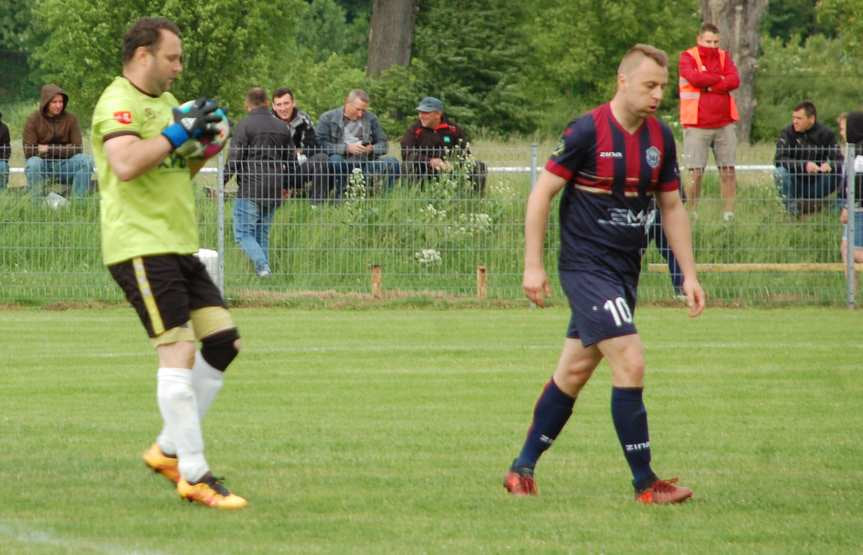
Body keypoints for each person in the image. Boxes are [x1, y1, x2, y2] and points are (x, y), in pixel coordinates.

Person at [504, 44, 705, 504]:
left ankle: (521, 470)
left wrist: (688, 275)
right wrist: (532, 266)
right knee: (631, 360)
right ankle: (645, 484)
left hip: (623, 272)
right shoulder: (585, 132)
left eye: (662, 87)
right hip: (585, 268)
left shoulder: (660, 138)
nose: (658, 95)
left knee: (574, 371)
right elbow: (540, 197)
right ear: (623, 81)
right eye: (649, 85)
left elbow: (671, 206)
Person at [91, 16, 247, 509]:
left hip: (177, 244)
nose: (179, 67)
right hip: (139, 245)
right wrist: (180, 131)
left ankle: (167, 448)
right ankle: (195, 473)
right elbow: (127, 164)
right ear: (143, 54)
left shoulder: (165, 107)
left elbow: (176, 168)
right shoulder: (117, 102)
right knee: (177, 351)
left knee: (223, 343)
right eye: (172, 57)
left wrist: (207, 146)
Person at [223, 87, 294, 278]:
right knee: (261, 234)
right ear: (266, 103)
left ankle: (263, 267)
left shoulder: (244, 125)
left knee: (243, 234)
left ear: (248, 104)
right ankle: (264, 275)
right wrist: (286, 186)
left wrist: (221, 182)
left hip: (250, 189)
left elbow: (234, 159)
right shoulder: (282, 127)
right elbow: (292, 163)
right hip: (274, 190)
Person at [678, 22, 740, 222]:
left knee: (728, 170)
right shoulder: (687, 57)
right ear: (699, 39)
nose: (712, 46)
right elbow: (694, 78)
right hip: (696, 125)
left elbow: (734, 80)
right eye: (708, 41)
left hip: (724, 124)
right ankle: (691, 212)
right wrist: (719, 79)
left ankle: (729, 214)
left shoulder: (724, 56)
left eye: (715, 42)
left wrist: (710, 83)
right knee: (695, 172)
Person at [315, 89, 400, 194]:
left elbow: (384, 145)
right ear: (347, 102)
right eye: (358, 109)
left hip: (365, 163)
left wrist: (371, 149)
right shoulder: (327, 118)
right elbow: (319, 144)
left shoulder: (371, 118)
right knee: (335, 160)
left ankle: (386, 198)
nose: (360, 114)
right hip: (341, 162)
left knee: (393, 163)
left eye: (363, 110)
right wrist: (347, 148)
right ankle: (341, 196)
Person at [400, 96, 487, 193]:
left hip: (448, 169)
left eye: (425, 113)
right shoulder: (414, 129)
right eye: (420, 112)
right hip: (423, 169)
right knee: (408, 165)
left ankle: (473, 200)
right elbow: (406, 153)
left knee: (479, 166)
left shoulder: (453, 129)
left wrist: (453, 164)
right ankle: (411, 199)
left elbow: (466, 154)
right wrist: (430, 161)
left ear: (438, 114)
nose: (421, 116)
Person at [23, 84, 94, 202]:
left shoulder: (71, 119)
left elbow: (77, 148)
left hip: (65, 165)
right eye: (54, 102)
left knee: (85, 160)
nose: (59, 105)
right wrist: (65, 148)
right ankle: (37, 205)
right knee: (33, 163)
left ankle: (78, 203)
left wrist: (47, 149)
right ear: (46, 102)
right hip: (43, 165)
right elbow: (29, 151)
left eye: (61, 102)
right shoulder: (33, 119)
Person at [774, 101, 842, 216]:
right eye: (793, 118)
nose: (795, 121)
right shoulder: (787, 132)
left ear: (811, 119)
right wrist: (805, 165)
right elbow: (779, 159)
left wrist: (830, 165)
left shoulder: (826, 133)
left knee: (842, 171)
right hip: (795, 182)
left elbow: (839, 159)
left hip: (819, 183)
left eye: (799, 118)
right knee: (779, 172)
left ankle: (836, 209)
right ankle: (792, 213)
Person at [271, 87, 330, 200]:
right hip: (275, 169)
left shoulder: (303, 119)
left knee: (322, 158)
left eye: (286, 103)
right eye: (279, 104)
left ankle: (316, 204)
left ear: (293, 103)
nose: (283, 108)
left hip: (299, 166)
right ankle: (272, 197)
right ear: (273, 106)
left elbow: (314, 146)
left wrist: (301, 151)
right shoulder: (268, 121)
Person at [838, 112, 863, 266]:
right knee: (846, 249)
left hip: (858, 209)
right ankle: (851, 290)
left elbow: (860, 182)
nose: (841, 133)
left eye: (844, 129)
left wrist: (848, 206)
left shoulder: (860, 152)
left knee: (856, 254)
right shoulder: (852, 149)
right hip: (855, 206)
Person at [0, 111, 9, 190]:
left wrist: (4, 160)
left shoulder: (3, 128)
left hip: (0, 160)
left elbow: (6, 148)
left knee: (3, 166)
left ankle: (2, 194)